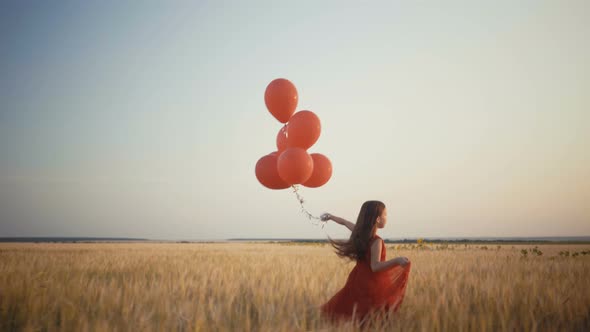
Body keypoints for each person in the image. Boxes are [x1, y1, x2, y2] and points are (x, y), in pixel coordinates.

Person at [320, 200, 411, 323]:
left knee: (353, 307)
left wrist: (330, 217)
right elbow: (375, 266)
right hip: (372, 282)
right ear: (378, 219)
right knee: (372, 312)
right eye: (385, 214)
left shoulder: (359, 233)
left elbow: (344, 222)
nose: (386, 217)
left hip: (357, 278)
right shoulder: (376, 241)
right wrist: (397, 260)